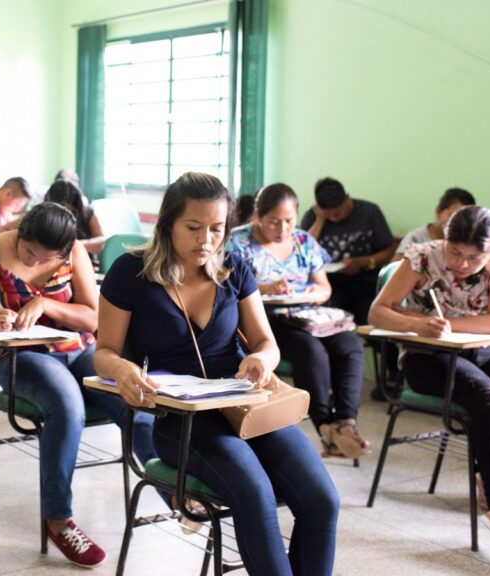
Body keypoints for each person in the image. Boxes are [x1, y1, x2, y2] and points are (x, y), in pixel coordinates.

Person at [95, 172, 339, 576]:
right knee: (255, 494)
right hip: (182, 422)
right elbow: (104, 352)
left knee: (321, 500)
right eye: (193, 227)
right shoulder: (130, 273)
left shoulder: (235, 270)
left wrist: (262, 360)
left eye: (216, 229)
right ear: (167, 223)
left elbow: (267, 343)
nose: (205, 240)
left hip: (244, 407)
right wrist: (122, 368)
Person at [0, 202, 156, 568]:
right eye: (28, 253)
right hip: (22, 358)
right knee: (67, 405)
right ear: (20, 233)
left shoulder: (74, 252)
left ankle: (176, 492)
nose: (32, 262)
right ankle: (59, 520)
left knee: (132, 398)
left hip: (78, 351)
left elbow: (92, 317)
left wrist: (47, 304)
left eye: (45, 259)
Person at [368, 205, 490, 567]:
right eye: (455, 252)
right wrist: (420, 325)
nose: (463, 264)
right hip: (426, 356)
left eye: (475, 257)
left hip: (482, 351)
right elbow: (378, 312)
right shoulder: (423, 257)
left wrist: (445, 323)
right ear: (444, 238)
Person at [227, 183, 369, 459]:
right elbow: (228, 285)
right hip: (266, 321)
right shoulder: (239, 241)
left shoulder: (304, 241)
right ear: (258, 215)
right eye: (274, 222)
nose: (282, 230)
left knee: (351, 346)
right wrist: (267, 288)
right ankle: (326, 426)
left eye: (289, 221)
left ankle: (346, 423)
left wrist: (312, 292)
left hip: (308, 317)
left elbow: (324, 287)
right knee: (310, 350)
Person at [299, 177, 396, 325]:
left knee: (373, 317)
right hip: (331, 284)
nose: (334, 218)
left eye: (337, 213)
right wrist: (320, 220)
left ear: (347, 199)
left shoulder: (369, 212)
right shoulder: (313, 217)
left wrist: (364, 262)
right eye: (328, 214)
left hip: (365, 281)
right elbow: (303, 251)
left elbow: (389, 250)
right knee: (325, 321)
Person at [394, 187, 476, 257]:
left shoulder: (466, 243)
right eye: (452, 216)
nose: (457, 223)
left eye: (464, 219)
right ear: (438, 212)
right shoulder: (416, 238)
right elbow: (394, 269)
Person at [43, 179, 105, 255]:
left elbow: (102, 241)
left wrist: (74, 246)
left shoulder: (87, 213)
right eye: (60, 207)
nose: (64, 212)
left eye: (68, 207)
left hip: (83, 258)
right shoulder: (43, 216)